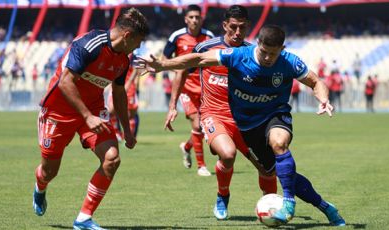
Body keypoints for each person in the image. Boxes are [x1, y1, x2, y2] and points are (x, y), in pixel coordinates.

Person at [139, 25, 345, 226]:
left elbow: (315, 82)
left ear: (282, 50)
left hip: (275, 115)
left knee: (279, 142)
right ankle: (326, 206)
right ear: (258, 44)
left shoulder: (290, 62)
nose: (267, 58)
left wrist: (324, 99)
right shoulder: (239, 56)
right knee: (276, 171)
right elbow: (200, 58)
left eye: (273, 54)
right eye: (264, 52)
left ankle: (289, 202)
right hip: (248, 127)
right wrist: (163, 65)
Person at [32, 8, 148, 229]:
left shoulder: (124, 59)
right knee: (49, 171)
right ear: (127, 36)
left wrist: (127, 130)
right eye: (139, 41)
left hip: (93, 111)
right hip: (58, 111)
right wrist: (87, 116)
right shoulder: (88, 44)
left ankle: (83, 218)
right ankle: (40, 186)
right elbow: (66, 82)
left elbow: (119, 92)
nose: (139, 47)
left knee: (112, 158)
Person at [164, 5, 278, 220]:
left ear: (248, 27)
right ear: (225, 25)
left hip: (245, 120)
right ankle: (222, 196)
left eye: (242, 28)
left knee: (267, 170)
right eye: (233, 27)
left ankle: (273, 207)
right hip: (213, 113)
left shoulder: (252, 52)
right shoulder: (206, 47)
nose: (237, 32)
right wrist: (172, 107)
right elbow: (181, 71)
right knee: (227, 154)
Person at [162, 4, 214, 176]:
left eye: (197, 17)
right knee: (197, 124)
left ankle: (186, 146)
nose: (194, 20)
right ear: (186, 19)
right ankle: (202, 166)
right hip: (186, 89)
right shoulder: (177, 36)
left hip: (206, 89)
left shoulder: (209, 37)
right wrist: (178, 72)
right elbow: (164, 60)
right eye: (191, 17)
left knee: (204, 128)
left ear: (201, 18)